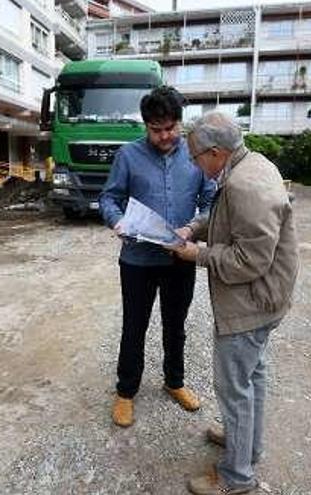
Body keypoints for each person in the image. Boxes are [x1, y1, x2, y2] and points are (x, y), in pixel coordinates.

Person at [170, 111, 299, 495]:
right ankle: (246, 446)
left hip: (252, 303)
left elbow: (250, 260)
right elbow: (227, 219)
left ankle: (236, 477)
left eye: (195, 158)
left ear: (214, 152)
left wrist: (198, 254)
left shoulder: (245, 184)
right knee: (252, 376)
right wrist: (194, 226)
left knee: (234, 387)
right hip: (266, 299)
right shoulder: (249, 165)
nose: (194, 165)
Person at [99, 86, 216, 428]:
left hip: (180, 259)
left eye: (170, 128)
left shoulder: (196, 157)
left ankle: (174, 382)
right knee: (134, 327)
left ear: (179, 122)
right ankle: (125, 391)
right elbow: (109, 198)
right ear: (146, 125)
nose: (164, 136)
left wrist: (192, 228)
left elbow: (210, 202)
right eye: (156, 129)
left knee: (175, 326)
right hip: (137, 260)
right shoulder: (128, 156)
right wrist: (116, 220)